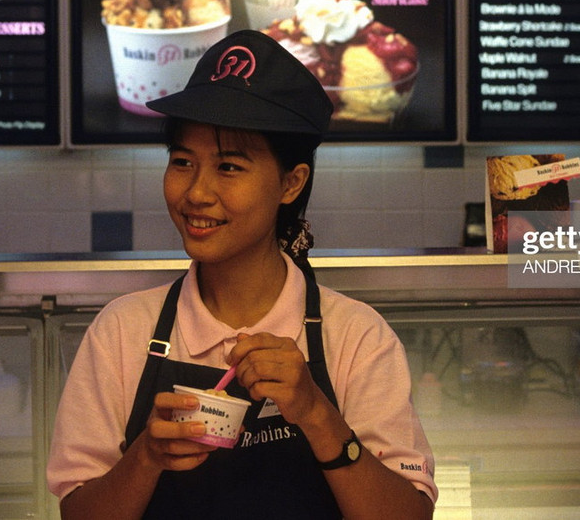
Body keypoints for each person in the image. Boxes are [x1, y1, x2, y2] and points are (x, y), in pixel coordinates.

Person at [47, 29, 436, 520]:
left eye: (229, 167)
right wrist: (145, 457)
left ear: (291, 183)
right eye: (182, 162)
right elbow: (77, 512)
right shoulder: (123, 332)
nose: (197, 193)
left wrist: (317, 414)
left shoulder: (356, 336)